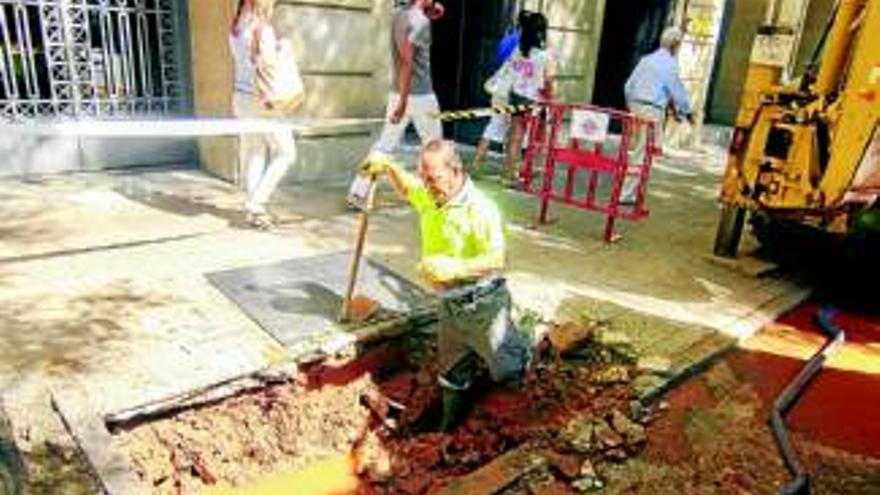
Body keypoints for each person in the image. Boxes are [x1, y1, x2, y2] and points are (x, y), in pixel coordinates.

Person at [360, 140, 532, 431]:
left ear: (456, 171)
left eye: (434, 179)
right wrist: (389, 166)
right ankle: (446, 430)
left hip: (484, 303)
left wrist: (456, 267)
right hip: (450, 304)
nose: (427, 186)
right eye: (424, 178)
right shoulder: (432, 196)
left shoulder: (479, 209)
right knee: (452, 369)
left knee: (505, 366)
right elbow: (409, 188)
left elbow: (496, 257)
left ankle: (522, 374)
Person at [347, 0, 445, 209]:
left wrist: (400, 99)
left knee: (384, 145)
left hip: (398, 92)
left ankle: (358, 191)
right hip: (419, 95)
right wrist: (403, 102)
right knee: (435, 146)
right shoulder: (420, 21)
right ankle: (437, 194)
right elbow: (407, 63)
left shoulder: (400, 15)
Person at [229, 0, 298, 229]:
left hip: (240, 97)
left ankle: (254, 210)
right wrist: (284, 49)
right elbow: (267, 65)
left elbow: (247, 60)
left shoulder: (236, 25)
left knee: (254, 153)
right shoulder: (262, 28)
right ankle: (256, 203)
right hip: (262, 99)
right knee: (286, 152)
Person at [621, 26, 693, 204]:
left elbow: (628, 86)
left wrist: (631, 107)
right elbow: (677, 92)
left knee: (636, 149)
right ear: (676, 45)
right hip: (651, 110)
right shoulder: (670, 64)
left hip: (636, 106)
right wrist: (686, 111)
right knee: (641, 153)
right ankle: (626, 194)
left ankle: (631, 191)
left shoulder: (646, 60)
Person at [485, 12, 554, 184]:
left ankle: (508, 173)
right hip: (534, 100)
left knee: (516, 136)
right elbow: (548, 81)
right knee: (534, 139)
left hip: (517, 96)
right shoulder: (545, 55)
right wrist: (550, 100)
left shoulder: (519, 50)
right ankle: (524, 171)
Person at [471, 10, 533, 174]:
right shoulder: (529, 45)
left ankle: (477, 162)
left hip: (500, 89)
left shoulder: (508, 39)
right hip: (517, 93)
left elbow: (497, 62)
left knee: (495, 123)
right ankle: (515, 170)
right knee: (520, 132)